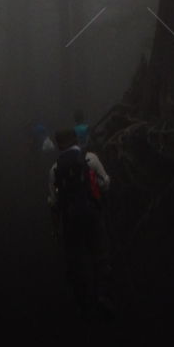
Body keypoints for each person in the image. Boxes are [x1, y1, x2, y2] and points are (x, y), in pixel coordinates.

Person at [48, 127, 112, 315]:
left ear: (59, 145)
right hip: (92, 214)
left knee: (76, 258)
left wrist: (56, 229)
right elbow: (105, 183)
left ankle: (82, 300)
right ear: (75, 139)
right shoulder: (90, 158)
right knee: (100, 254)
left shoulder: (54, 169)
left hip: (70, 219)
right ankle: (101, 295)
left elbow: (53, 202)